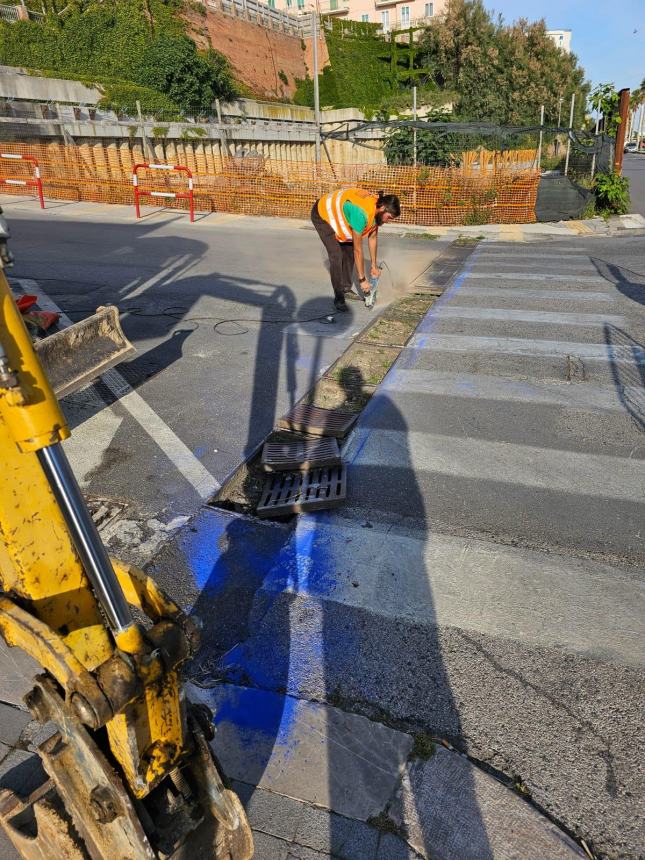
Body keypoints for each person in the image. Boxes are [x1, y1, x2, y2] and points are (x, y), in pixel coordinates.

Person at [311, 188, 401, 311]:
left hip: (339, 213)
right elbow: (358, 250)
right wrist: (362, 280)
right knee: (336, 255)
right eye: (389, 217)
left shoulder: (376, 211)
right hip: (322, 214)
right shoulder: (361, 213)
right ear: (383, 208)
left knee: (348, 250)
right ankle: (339, 297)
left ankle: (346, 289)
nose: (388, 221)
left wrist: (374, 266)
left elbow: (373, 238)